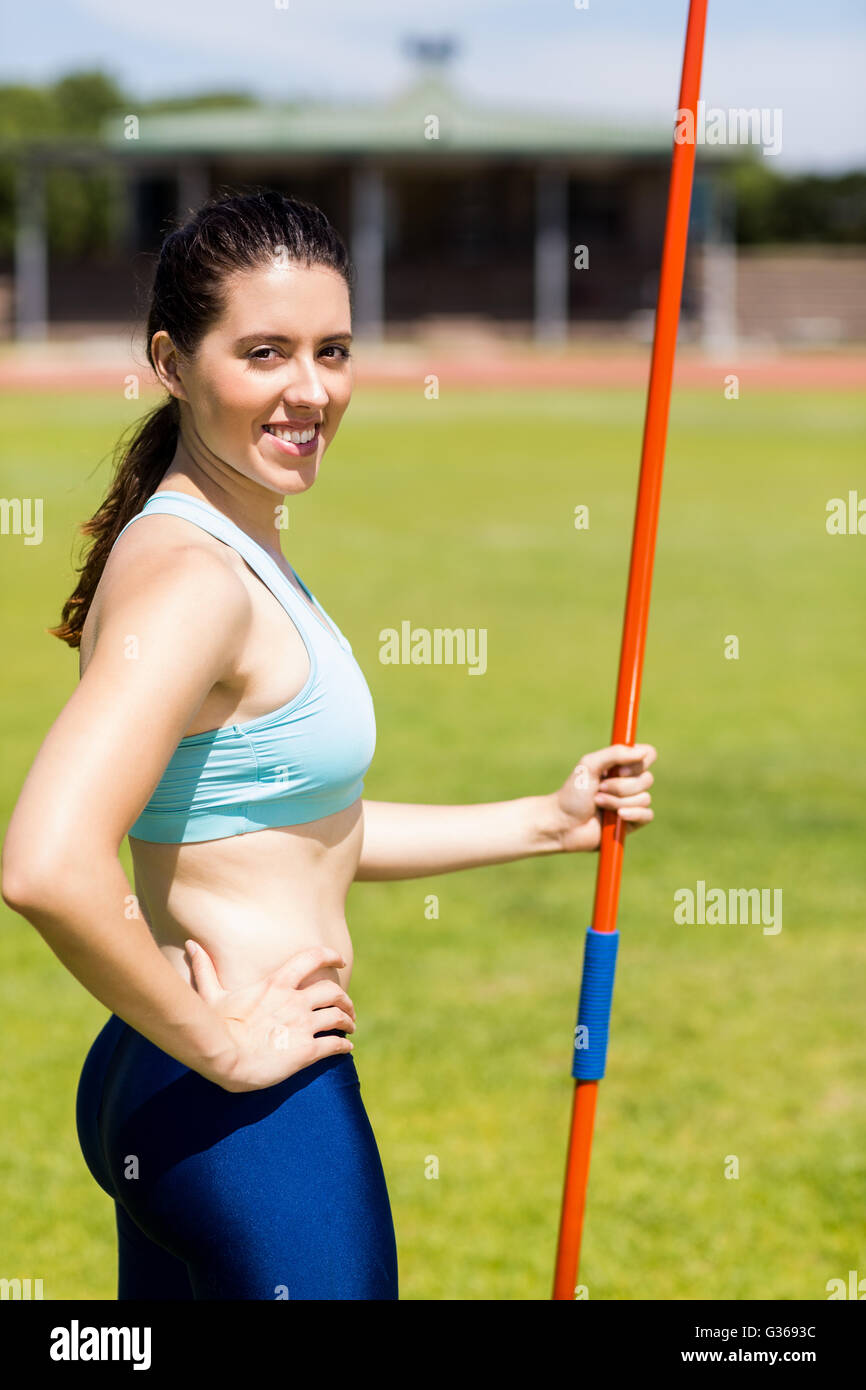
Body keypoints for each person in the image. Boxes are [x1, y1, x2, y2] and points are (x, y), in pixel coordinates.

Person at [0, 188, 657, 1301]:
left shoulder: (228, 543)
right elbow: (45, 863)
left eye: (332, 350)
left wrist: (544, 821)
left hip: (166, 1085)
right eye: (264, 352)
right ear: (170, 360)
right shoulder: (194, 578)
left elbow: (287, 825)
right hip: (244, 1108)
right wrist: (221, 1045)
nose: (310, 390)